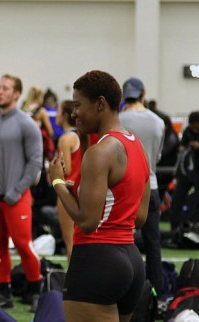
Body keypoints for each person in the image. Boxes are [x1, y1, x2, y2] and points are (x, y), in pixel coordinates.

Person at [48, 70, 150, 322]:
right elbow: (139, 217)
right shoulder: (136, 145)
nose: (74, 113)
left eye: (78, 105)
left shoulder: (100, 152)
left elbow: (87, 221)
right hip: (131, 261)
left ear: (100, 104)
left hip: (96, 260)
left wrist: (57, 182)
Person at [0, 74, 43, 312]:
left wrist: (17, 190)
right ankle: (3, 290)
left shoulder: (26, 123)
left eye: (5, 88)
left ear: (17, 94)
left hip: (16, 197)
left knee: (22, 244)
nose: (0, 92)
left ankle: (36, 290)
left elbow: (36, 161)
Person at [119, 77, 165, 297]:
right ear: (143, 93)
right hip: (151, 185)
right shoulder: (158, 121)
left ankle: (126, 292)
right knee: (153, 244)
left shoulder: (118, 120)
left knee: (121, 243)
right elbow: (157, 155)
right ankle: (158, 294)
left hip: (125, 188)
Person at [54, 100, 88, 260]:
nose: (55, 115)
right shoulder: (82, 135)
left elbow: (65, 168)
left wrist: (52, 170)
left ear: (65, 115)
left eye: (58, 111)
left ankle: (72, 282)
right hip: (82, 188)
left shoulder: (65, 139)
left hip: (67, 190)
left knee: (70, 241)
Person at [169, 111, 199, 229]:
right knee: (177, 200)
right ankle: (175, 227)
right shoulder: (188, 131)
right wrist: (184, 147)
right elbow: (181, 145)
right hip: (186, 173)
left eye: (196, 126)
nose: (195, 129)